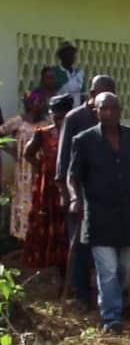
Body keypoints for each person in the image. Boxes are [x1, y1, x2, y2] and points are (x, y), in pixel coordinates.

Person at [67, 93, 130, 334]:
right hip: (99, 216)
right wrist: (74, 198)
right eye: (104, 109)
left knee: (128, 266)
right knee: (108, 270)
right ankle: (112, 318)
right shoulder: (84, 140)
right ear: (96, 112)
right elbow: (73, 177)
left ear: (121, 110)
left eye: (113, 108)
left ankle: (116, 296)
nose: (109, 113)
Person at [56, 75, 115, 308]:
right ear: (91, 95)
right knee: (80, 246)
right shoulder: (75, 118)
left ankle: (108, 293)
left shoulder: (112, 117)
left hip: (106, 194)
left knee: (106, 245)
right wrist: (67, 195)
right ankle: (82, 294)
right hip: (79, 192)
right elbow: (63, 159)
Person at [22, 94, 73, 271]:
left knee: (68, 227)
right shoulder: (43, 134)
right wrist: (44, 167)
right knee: (51, 225)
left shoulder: (76, 134)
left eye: (63, 118)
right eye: (55, 117)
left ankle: (71, 268)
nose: (59, 121)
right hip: (49, 190)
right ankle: (54, 267)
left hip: (70, 186)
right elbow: (28, 153)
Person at [1, 92, 50, 241]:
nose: (41, 104)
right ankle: (22, 236)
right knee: (22, 199)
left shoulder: (47, 122)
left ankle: (38, 236)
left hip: (39, 168)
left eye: (43, 102)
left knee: (39, 199)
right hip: (22, 170)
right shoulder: (18, 121)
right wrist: (11, 151)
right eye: (38, 101)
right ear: (30, 104)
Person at [54, 41, 85, 107]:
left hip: (77, 108)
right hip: (61, 108)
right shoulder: (54, 72)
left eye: (72, 54)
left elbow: (83, 93)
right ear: (61, 56)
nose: (71, 56)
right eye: (68, 54)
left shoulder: (79, 73)